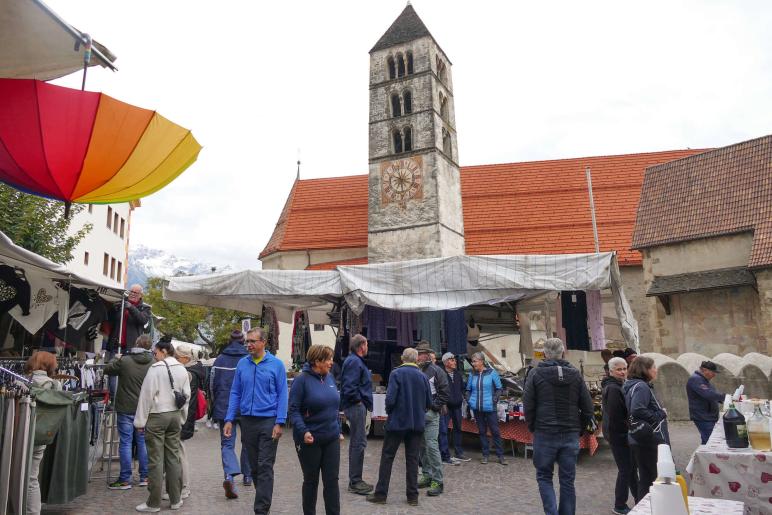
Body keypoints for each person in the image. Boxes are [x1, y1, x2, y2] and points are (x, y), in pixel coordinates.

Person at [523, 338, 594, 515]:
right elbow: (587, 407)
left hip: (545, 432)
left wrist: (533, 426)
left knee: (544, 477)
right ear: (563, 352)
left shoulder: (535, 374)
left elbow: (528, 405)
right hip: (569, 432)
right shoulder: (575, 374)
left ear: (545, 354)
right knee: (567, 480)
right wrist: (580, 429)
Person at [223, 327, 288, 515]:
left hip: (268, 420)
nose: (249, 345)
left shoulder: (276, 365)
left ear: (263, 343)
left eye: (252, 341)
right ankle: (264, 499)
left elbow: (283, 393)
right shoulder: (243, 364)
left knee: (265, 465)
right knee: (253, 466)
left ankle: (261, 509)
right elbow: (235, 392)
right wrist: (229, 419)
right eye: (247, 341)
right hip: (247, 421)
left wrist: (280, 421)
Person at [366, 348, 432, 507]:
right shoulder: (423, 377)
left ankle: (381, 494)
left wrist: (391, 412)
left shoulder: (396, 374)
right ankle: (412, 496)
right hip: (416, 424)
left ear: (402, 359)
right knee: (412, 459)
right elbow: (429, 402)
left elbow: (390, 400)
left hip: (397, 423)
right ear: (416, 360)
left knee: (388, 457)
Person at [134, 337, 191, 513]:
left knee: (156, 460)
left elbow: (146, 396)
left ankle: (153, 503)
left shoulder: (156, 369)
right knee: (173, 458)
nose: (154, 354)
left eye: (156, 352)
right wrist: (181, 417)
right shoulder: (182, 369)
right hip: (174, 416)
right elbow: (186, 396)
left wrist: (140, 421)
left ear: (164, 351)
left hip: (157, 416)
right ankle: (175, 499)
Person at [288, 344, 341, 515]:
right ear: (317, 361)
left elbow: (333, 407)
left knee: (332, 481)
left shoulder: (330, 378)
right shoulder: (301, 380)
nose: (331, 362)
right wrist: (304, 431)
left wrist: (338, 428)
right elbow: (293, 410)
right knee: (311, 481)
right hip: (310, 438)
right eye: (328, 359)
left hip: (331, 437)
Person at [104, 334, 153, 490]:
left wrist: (116, 358)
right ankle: (145, 477)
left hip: (125, 407)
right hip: (145, 409)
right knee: (143, 442)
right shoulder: (153, 362)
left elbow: (107, 369)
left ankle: (125, 479)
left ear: (136, 344)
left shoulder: (125, 361)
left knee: (125, 442)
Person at [210, 329, 252, 498]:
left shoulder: (219, 359)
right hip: (246, 408)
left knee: (227, 444)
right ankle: (248, 475)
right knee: (248, 442)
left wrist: (215, 404)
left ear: (229, 340)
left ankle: (229, 476)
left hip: (224, 407)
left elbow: (212, 385)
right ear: (243, 341)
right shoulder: (249, 360)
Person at [623, 355, 669, 500]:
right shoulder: (641, 386)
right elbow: (637, 409)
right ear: (646, 370)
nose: (656, 370)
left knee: (646, 476)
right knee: (651, 477)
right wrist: (660, 414)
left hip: (639, 436)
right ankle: (650, 507)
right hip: (649, 437)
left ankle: (644, 506)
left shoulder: (632, 385)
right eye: (653, 367)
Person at [602, 357, 639, 515]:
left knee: (631, 468)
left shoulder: (619, 385)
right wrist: (628, 431)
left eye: (625, 368)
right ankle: (619, 504)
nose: (623, 372)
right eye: (619, 369)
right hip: (619, 435)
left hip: (622, 433)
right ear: (611, 371)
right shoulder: (613, 388)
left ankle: (640, 498)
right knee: (625, 469)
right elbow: (616, 415)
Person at [25, 351, 61, 515]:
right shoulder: (55, 385)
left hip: (21, 434)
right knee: (32, 477)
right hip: (42, 435)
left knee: (14, 472)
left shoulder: (23, 381)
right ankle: (34, 512)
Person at [340, 334, 373, 495]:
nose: (368, 347)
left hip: (356, 405)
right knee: (358, 444)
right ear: (361, 346)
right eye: (366, 344)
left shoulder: (354, 361)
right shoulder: (354, 361)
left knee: (358, 443)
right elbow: (349, 386)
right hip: (356, 406)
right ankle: (355, 481)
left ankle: (356, 480)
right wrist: (358, 401)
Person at [415, 341, 449, 496]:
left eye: (420, 354)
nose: (418, 356)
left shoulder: (437, 371)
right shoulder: (416, 370)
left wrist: (434, 406)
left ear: (426, 355)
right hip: (419, 414)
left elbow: (444, 392)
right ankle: (427, 475)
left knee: (432, 446)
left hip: (431, 414)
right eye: (417, 353)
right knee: (422, 446)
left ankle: (438, 480)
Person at [465, 352, 506, 465]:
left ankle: (500, 456)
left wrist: (495, 399)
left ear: (482, 361)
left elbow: (499, 388)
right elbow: (468, 390)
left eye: (475, 361)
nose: (473, 364)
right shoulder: (472, 374)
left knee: (495, 431)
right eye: (472, 362)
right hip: (477, 408)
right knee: (482, 432)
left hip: (490, 407)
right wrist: (469, 400)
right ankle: (485, 455)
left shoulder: (492, 373)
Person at [176, 343, 206, 500]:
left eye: (177, 357)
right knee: (180, 452)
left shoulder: (188, 374)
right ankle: (179, 486)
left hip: (184, 418)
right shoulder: (195, 371)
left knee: (180, 453)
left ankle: (184, 487)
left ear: (185, 358)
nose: (175, 360)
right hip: (187, 417)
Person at [439, 352, 469, 464]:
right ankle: (444, 453)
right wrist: (443, 404)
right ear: (446, 362)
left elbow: (462, 388)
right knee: (443, 431)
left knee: (458, 429)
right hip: (445, 407)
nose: (455, 362)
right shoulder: (441, 374)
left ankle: (458, 452)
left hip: (457, 407)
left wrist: (464, 399)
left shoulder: (458, 374)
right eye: (452, 360)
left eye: (454, 360)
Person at [686, 360, 725, 444]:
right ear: (704, 370)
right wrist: (725, 397)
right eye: (712, 372)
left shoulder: (703, 380)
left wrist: (724, 399)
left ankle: (702, 457)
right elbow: (708, 394)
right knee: (710, 442)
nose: (714, 375)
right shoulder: (696, 379)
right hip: (703, 417)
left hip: (708, 416)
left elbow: (713, 394)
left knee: (707, 441)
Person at [106, 284, 151, 354]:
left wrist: (131, 307)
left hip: (132, 346)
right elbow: (109, 320)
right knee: (113, 364)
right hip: (115, 345)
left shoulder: (145, 308)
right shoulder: (121, 303)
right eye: (131, 291)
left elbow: (143, 320)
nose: (132, 294)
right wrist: (113, 310)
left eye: (135, 293)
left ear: (141, 295)